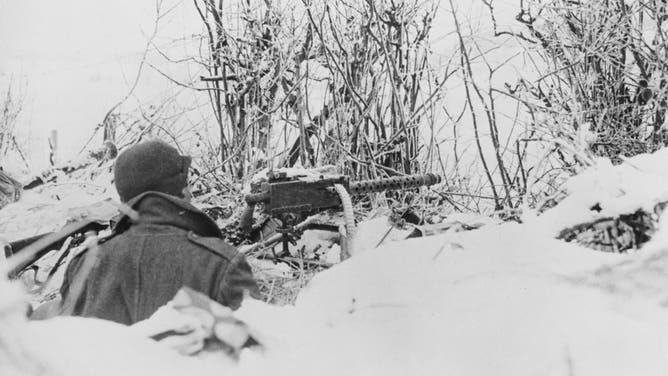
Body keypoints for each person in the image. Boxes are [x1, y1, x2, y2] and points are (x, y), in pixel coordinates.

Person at [59, 139, 258, 325]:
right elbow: (260, 356)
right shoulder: (223, 264)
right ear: (178, 191)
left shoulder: (82, 266)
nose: (190, 193)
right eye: (187, 185)